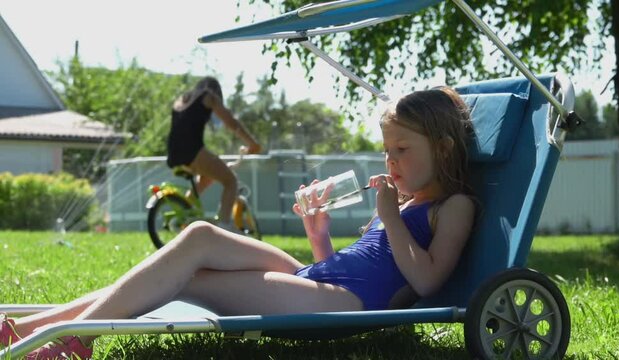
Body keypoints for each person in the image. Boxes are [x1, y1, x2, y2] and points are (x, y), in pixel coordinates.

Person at [0, 87, 476, 359]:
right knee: (201, 236)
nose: (389, 161)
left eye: (402, 150)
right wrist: (319, 235)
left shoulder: (451, 207)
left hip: (345, 302)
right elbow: (345, 268)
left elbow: (427, 279)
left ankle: (71, 338)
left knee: (191, 281)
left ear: (443, 148)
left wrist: (389, 217)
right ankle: (34, 328)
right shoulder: (405, 202)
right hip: (319, 283)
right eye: (387, 149)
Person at [167, 76, 262, 229]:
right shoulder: (209, 96)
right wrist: (252, 143)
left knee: (208, 177)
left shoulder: (183, 99)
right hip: (192, 150)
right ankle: (225, 226)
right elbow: (231, 122)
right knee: (230, 181)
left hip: (174, 153)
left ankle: (185, 210)